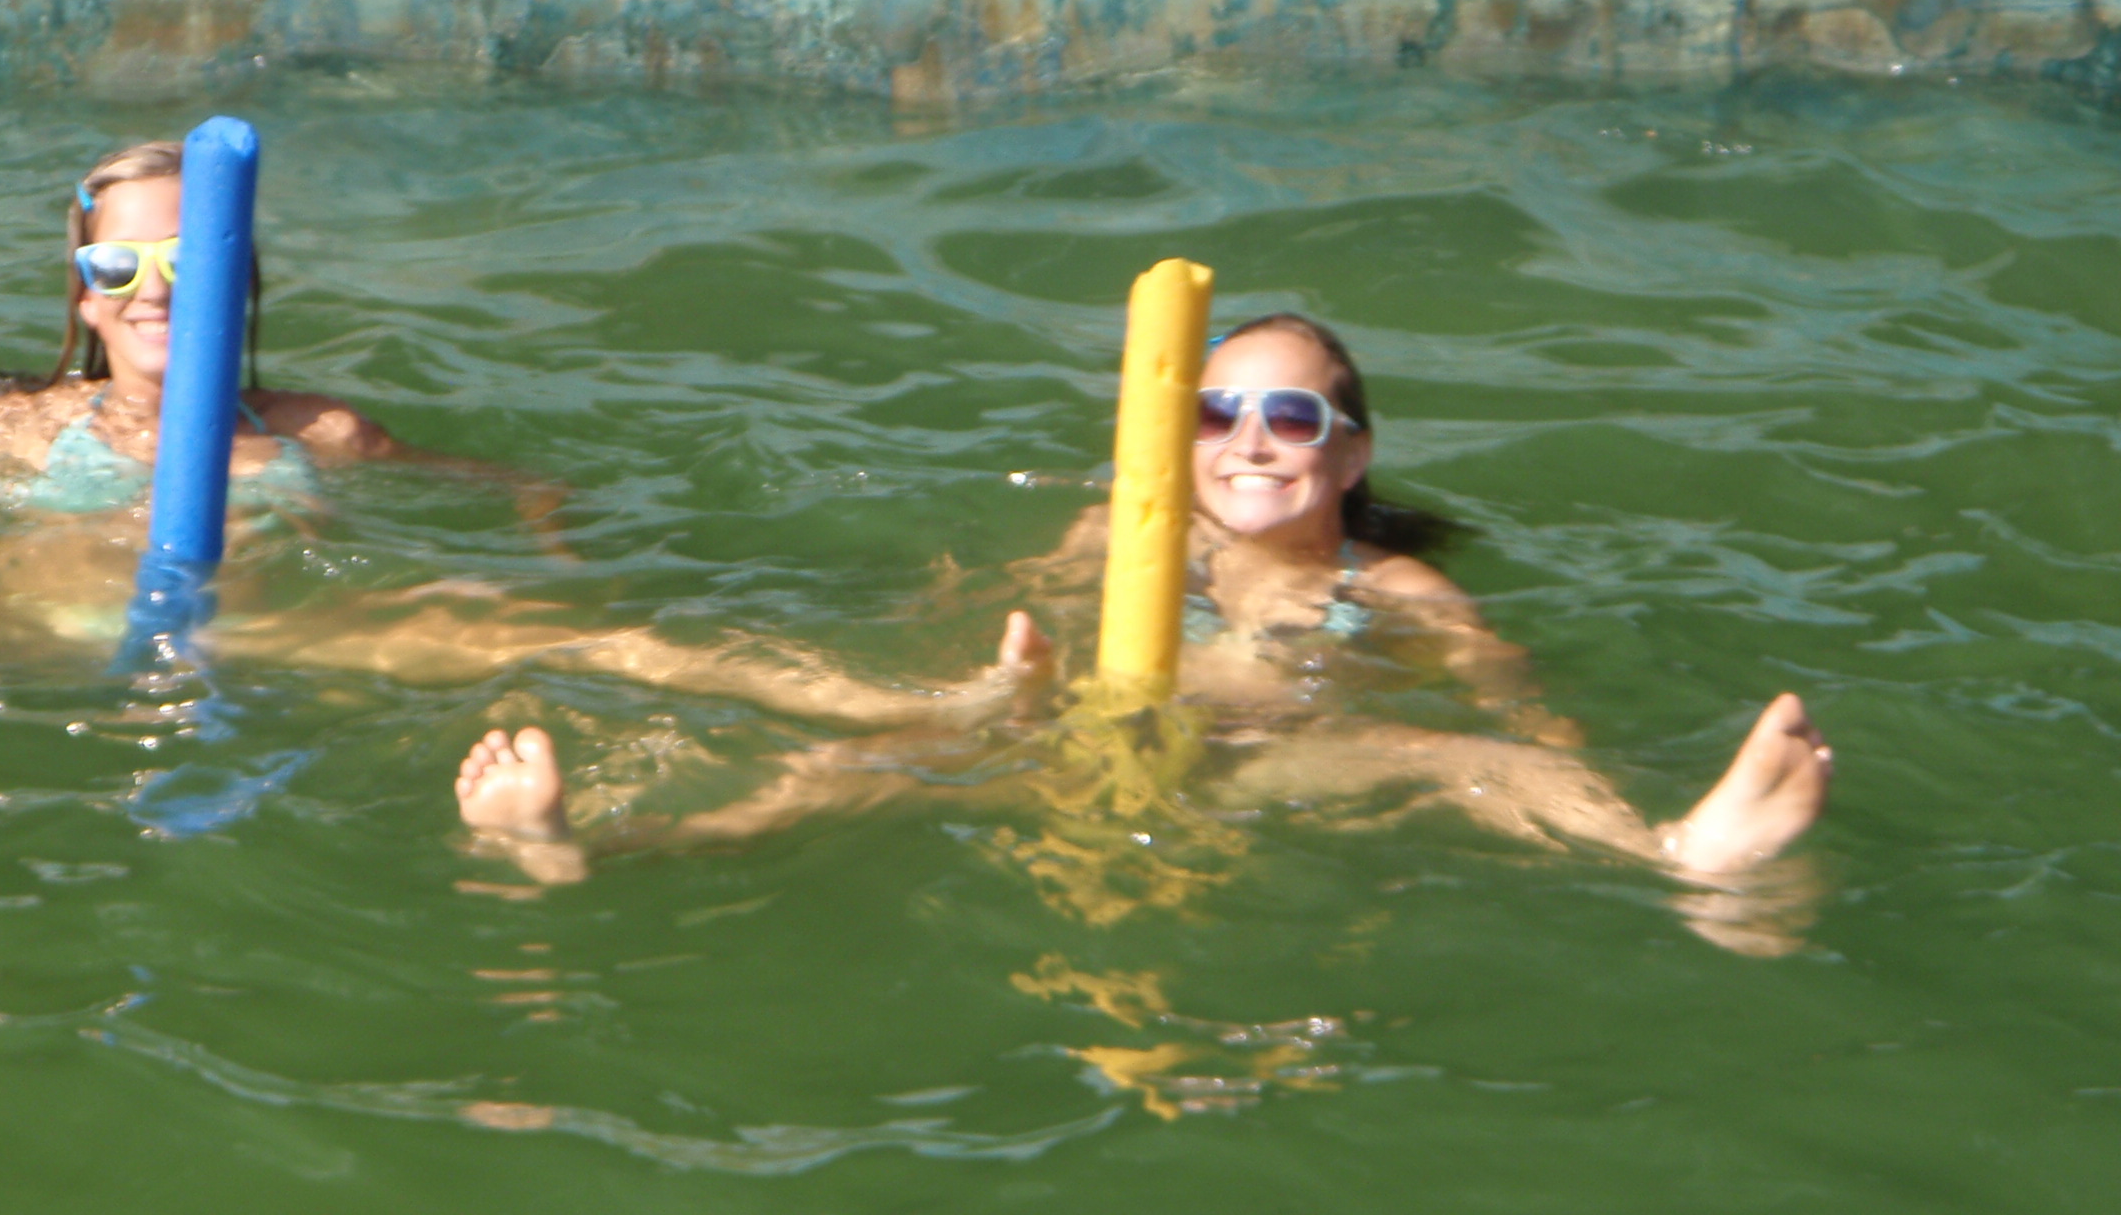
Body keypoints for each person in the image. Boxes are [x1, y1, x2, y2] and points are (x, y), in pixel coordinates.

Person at [0, 141, 1022, 730]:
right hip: (33, 632)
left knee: (608, 645)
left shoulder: (320, 427)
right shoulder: (13, 428)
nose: (150, 291)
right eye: (118, 266)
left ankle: (921, 708)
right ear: (79, 292)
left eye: (184, 264)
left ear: (240, 283)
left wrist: (553, 547)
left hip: (281, 635)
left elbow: (517, 479)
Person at [451, 314, 1833, 932]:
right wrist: (1002, 673)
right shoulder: (1115, 537)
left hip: (1253, 761)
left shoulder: (1391, 588)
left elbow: (1514, 707)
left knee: (1481, 766)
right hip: (1064, 738)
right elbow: (991, 613)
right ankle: (581, 849)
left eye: (1291, 417)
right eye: (1215, 413)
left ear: (1352, 455)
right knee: (838, 766)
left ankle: (1677, 852)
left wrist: (1558, 750)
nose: (1249, 439)